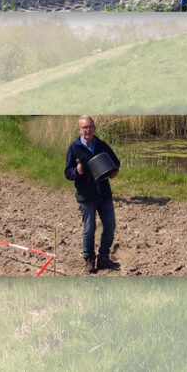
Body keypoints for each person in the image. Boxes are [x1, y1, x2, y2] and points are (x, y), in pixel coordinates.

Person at [64, 115, 121, 274]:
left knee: (110, 226)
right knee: (89, 229)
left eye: (90, 127)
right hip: (86, 195)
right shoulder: (74, 148)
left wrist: (113, 172)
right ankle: (89, 260)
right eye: (85, 127)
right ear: (79, 130)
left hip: (104, 194)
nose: (88, 130)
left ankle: (104, 257)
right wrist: (77, 171)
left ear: (94, 128)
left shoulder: (101, 145)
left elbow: (115, 163)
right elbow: (67, 173)